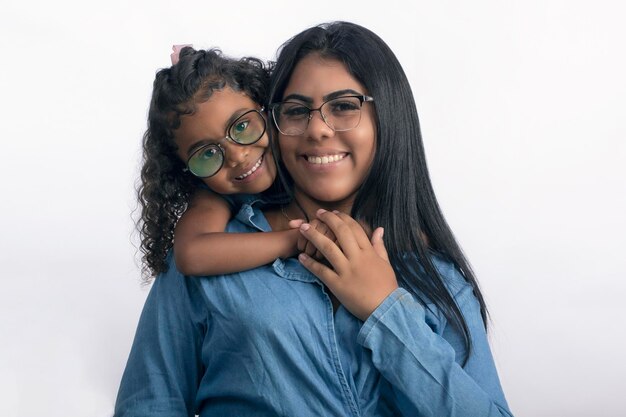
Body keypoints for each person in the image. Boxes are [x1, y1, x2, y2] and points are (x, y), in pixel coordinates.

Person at [115, 22, 514, 416]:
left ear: (387, 115)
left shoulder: (437, 278)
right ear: (273, 119)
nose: (318, 129)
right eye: (296, 111)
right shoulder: (211, 255)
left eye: (343, 106)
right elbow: (150, 403)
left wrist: (386, 311)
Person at [138, 45, 322, 281]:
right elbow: (192, 254)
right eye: (207, 153)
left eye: (242, 127)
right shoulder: (213, 196)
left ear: (265, 107)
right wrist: (292, 240)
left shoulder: (306, 152)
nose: (236, 157)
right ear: (183, 169)